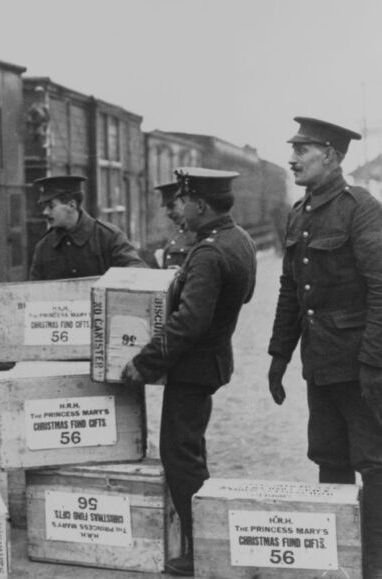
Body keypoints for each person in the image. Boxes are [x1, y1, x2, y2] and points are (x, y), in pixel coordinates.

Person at [122, 167, 257, 577]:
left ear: (200, 203)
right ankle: (204, 540)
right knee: (190, 449)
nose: (177, 208)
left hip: (194, 367)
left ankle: (202, 550)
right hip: (211, 361)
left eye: (182, 200)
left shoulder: (210, 252)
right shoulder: (239, 239)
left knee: (180, 455)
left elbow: (189, 321)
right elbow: (243, 296)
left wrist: (143, 363)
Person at [267, 116, 382, 577]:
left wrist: (373, 363)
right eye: (293, 149)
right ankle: (338, 559)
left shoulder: (362, 209)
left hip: (359, 367)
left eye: (302, 150)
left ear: (331, 157)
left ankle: (373, 563)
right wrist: (279, 355)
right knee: (328, 459)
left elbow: (380, 288)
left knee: (373, 464)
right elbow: (290, 291)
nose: (292, 159)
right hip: (321, 365)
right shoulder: (301, 212)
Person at [28, 175, 146, 280]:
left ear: (72, 205)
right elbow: (34, 291)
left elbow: (137, 270)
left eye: (51, 206)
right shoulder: (44, 246)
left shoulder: (109, 237)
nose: (45, 212)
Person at [155, 181, 196, 269]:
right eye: (167, 208)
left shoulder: (199, 235)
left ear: (186, 202)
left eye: (172, 206)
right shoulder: (177, 235)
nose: (168, 213)